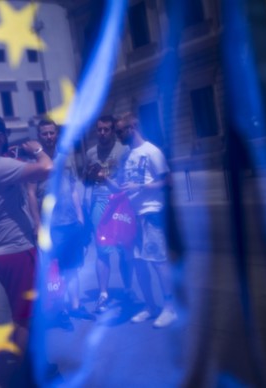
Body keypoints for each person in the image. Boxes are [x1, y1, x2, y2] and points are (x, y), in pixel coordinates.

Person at [0, 113, 53, 373]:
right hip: (15, 250)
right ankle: (27, 374)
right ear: (1, 137)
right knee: (26, 317)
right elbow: (48, 168)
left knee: (23, 313)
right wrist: (38, 149)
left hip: (0, 252)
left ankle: (31, 363)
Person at [28, 119, 93, 326]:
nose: (48, 137)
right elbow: (30, 194)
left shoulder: (66, 158)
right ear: (39, 136)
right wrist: (37, 224)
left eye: (51, 133)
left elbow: (73, 188)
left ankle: (75, 306)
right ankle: (61, 310)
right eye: (44, 133)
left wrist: (80, 215)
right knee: (55, 270)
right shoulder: (34, 162)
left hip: (70, 221)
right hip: (51, 226)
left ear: (57, 135)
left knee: (73, 266)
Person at [115, 112, 177, 328]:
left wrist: (140, 187)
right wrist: (104, 182)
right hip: (131, 217)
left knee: (158, 262)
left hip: (151, 214)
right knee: (138, 263)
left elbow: (168, 182)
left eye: (120, 131)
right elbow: (124, 186)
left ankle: (169, 308)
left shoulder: (152, 152)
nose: (117, 135)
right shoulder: (126, 156)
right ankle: (150, 305)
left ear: (132, 128)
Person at [84, 115, 133, 313]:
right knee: (102, 250)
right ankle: (103, 294)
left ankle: (128, 290)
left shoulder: (124, 150)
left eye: (106, 129)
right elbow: (87, 182)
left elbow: (128, 180)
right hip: (100, 203)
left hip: (120, 203)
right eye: (99, 129)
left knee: (123, 249)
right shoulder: (90, 153)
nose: (102, 133)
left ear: (113, 131)